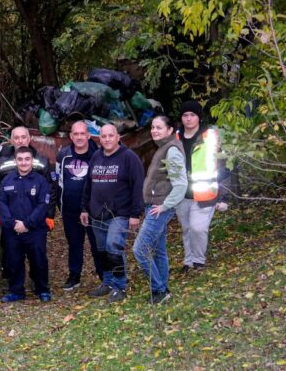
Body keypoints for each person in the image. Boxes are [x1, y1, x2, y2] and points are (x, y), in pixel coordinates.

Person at [80, 124, 145, 303]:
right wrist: (85, 208)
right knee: (102, 251)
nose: (107, 139)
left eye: (111, 136)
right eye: (103, 136)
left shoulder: (128, 158)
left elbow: (138, 186)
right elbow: (88, 185)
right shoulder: (96, 157)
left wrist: (135, 213)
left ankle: (119, 286)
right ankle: (107, 283)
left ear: (118, 137)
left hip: (120, 213)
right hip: (97, 213)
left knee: (113, 248)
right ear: (99, 139)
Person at [133, 116, 187, 304]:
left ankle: (158, 290)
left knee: (140, 249)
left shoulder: (171, 150)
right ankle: (163, 290)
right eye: (153, 127)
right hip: (156, 206)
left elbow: (181, 184)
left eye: (159, 128)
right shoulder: (163, 148)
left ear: (170, 130)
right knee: (158, 250)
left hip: (160, 208)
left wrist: (165, 205)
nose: (154, 131)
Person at [175, 100, 228, 273]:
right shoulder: (175, 137)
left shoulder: (210, 135)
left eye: (192, 115)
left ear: (198, 117)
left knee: (198, 228)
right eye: (185, 115)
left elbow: (224, 161)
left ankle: (198, 261)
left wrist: (222, 189)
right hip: (182, 193)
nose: (188, 119)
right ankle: (188, 261)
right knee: (187, 229)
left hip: (205, 192)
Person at [55, 120, 105, 291]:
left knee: (97, 244)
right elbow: (58, 181)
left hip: (93, 210)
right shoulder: (63, 155)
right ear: (70, 136)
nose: (79, 137)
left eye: (82, 133)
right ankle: (74, 276)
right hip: (70, 210)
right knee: (74, 244)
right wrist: (58, 204)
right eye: (75, 134)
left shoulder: (98, 155)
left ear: (89, 135)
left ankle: (104, 276)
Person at [0, 146, 51, 302]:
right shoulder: (7, 180)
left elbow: (43, 205)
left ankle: (42, 289)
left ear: (32, 161)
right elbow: (2, 203)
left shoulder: (41, 181)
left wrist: (27, 224)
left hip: (35, 230)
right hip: (12, 230)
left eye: (27, 159)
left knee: (38, 260)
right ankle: (16, 291)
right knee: (14, 261)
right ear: (15, 161)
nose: (23, 162)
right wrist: (12, 223)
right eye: (20, 159)